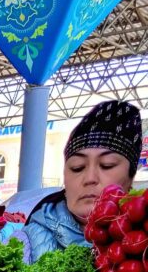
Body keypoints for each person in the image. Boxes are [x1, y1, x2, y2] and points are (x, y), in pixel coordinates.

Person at [19, 100, 142, 262]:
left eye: (107, 165)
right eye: (77, 167)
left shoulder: (141, 245)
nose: (90, 178)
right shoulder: (26, 243)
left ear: (131, 176)